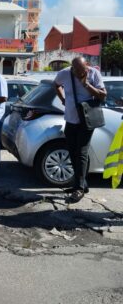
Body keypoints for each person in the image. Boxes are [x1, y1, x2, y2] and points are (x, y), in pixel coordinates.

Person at [54, 57, 107, 203]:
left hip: (87, 120)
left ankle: (78, 188)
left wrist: (87, 84)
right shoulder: (64, 73)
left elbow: (103, 95)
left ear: (87, 66)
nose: (78, 73)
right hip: (70, 119)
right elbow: (56, 85)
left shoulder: (94, 74)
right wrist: (63, 99)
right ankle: (81, 183)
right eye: (76, 70)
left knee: (81, 152)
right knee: (72, 151)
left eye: (82, 70)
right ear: (72, 67)